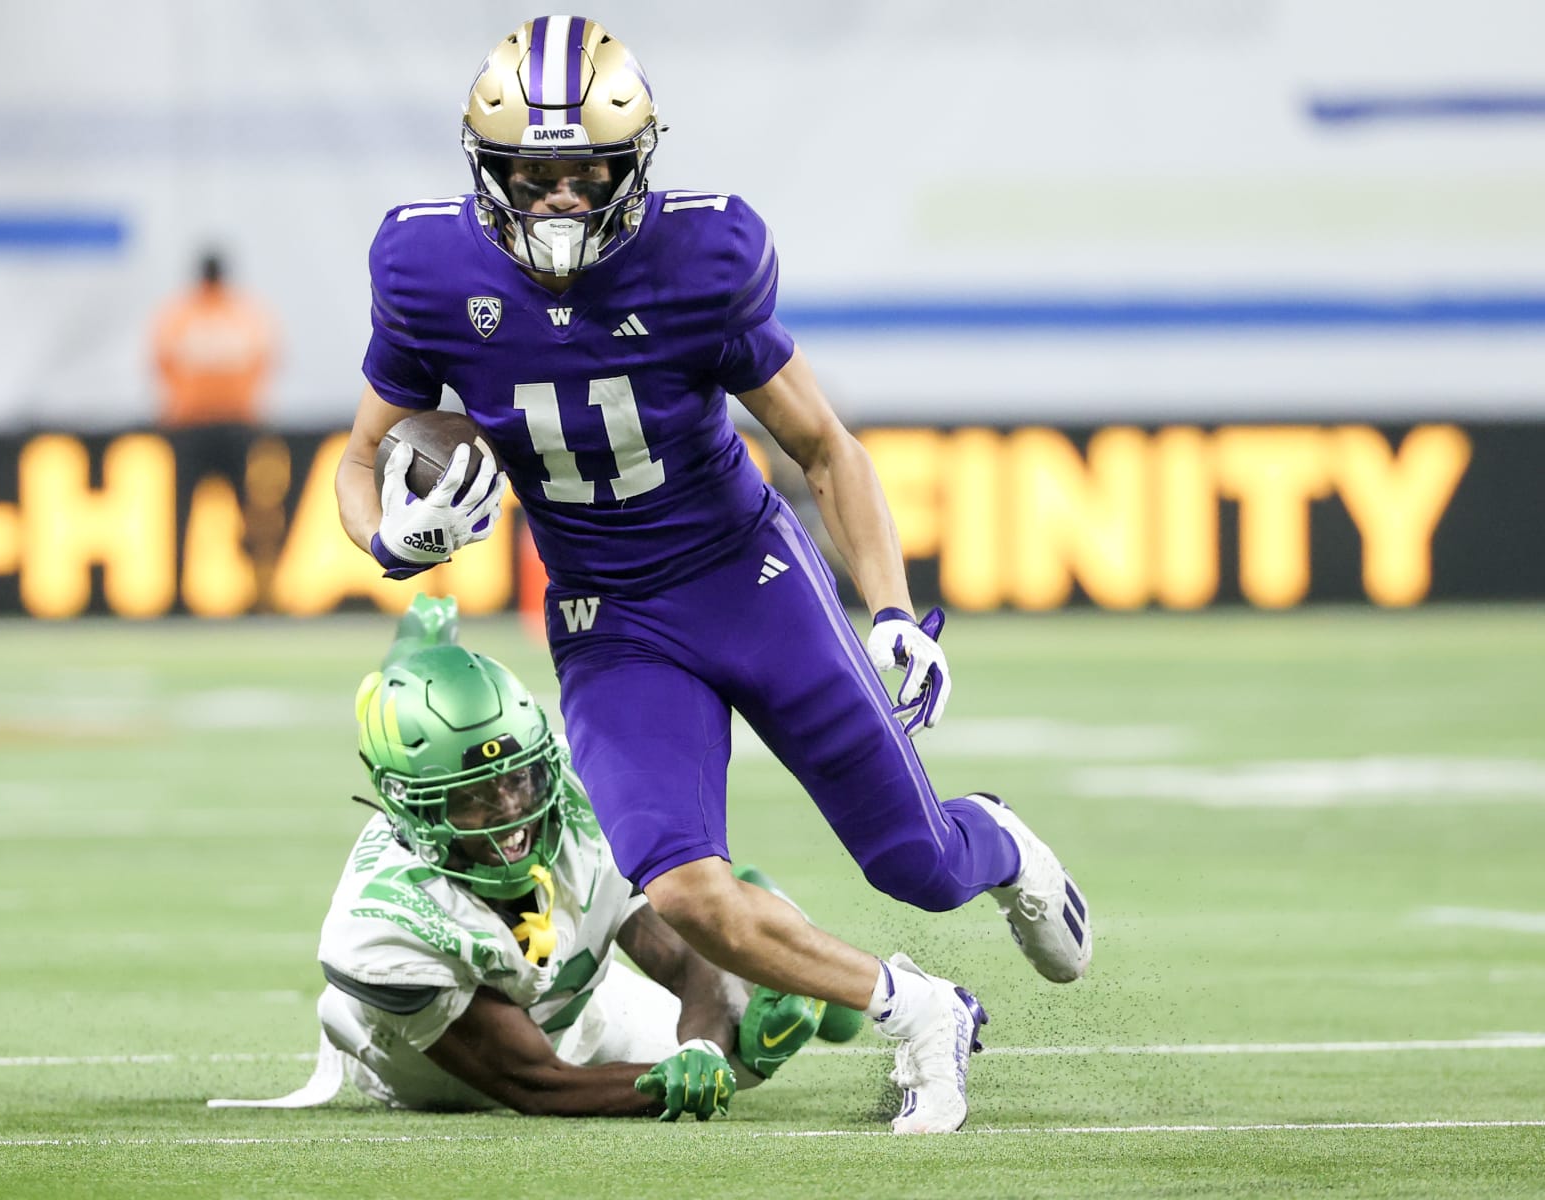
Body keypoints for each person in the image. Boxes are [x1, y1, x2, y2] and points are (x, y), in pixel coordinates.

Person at [333, 17, 1089, 1132]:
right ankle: (921, 1012)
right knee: (687, 893)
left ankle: (1000, 841)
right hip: (609, 618)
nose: (561, 200)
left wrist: (891, 610)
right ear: (488, 171)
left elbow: (824, 446)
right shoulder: (426, 270)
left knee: (917, 865)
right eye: (533, 176)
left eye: (588, 173)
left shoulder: (702, 258)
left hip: (748, 580)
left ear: (633, 165)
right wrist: (389, 541)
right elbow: (361, 460)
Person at [211, 596, 862, 1119]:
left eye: (519, 779)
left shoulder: (580, 788)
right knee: (701, 1068)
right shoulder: (382, 926)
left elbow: (677, 951)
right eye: (472, 797)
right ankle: (770, 952)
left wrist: (704, 1049)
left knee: (724, 972)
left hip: (572, 999)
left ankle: (787, 958)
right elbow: (535, 1083)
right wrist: (678, 1082)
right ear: (413, 808)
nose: (510, 811)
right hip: (435, 1073)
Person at [151, 249, 281, 608]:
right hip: (236, 426)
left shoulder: (179, 315)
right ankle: (260, 594)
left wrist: (180, 402)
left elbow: (161, 363)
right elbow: (264, 361)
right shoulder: (245, 314)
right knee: (248, 511)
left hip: (191, 427)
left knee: (183, 513)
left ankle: (177, 596)